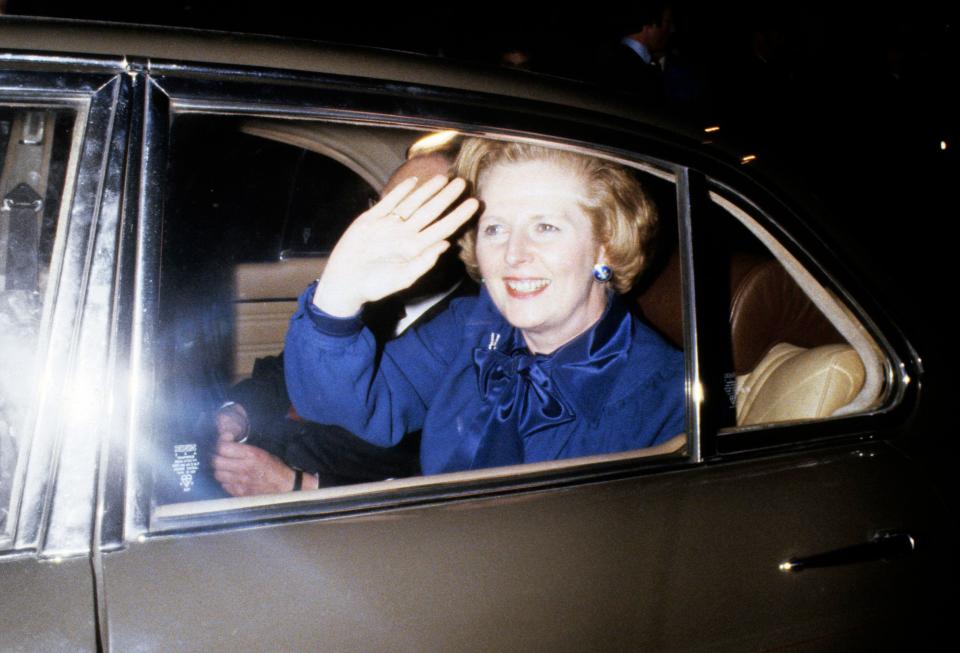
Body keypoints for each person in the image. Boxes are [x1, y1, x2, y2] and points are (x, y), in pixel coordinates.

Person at [285, 138, 685, 475]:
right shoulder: (470, 328)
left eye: (545, 227)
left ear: (606, 244)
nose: (514, 254)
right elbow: (338, 405)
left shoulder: (667, 399)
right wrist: (338, 298)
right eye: (495, 229)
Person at [211, 152, 469, 496]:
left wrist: (296, 486)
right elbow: (287, 369)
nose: (382, 228)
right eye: (380, 208)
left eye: (410, 215)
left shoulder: (473, 329)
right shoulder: (375, 293)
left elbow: (437, 482)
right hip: (263, 458)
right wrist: (238, 413)